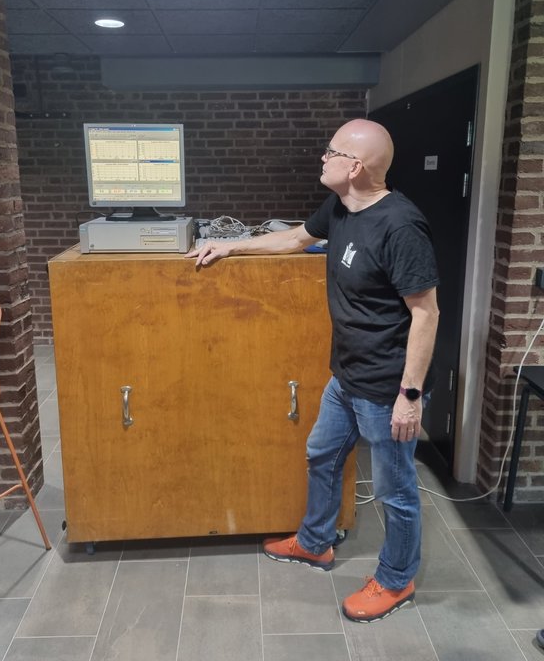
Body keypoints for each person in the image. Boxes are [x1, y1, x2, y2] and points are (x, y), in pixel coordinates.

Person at [186, 118, 440, 622]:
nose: (322, 158)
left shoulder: (400, 226)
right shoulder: (341, 206)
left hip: (386, 386)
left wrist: (409, 396)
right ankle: (315, 541)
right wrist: (230, 246)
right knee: (322, 453)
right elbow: (295, 240)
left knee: (395, 492)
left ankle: (396, 580)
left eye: (331, 151)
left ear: (355, 166)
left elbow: (426, 313)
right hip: (345, 375)